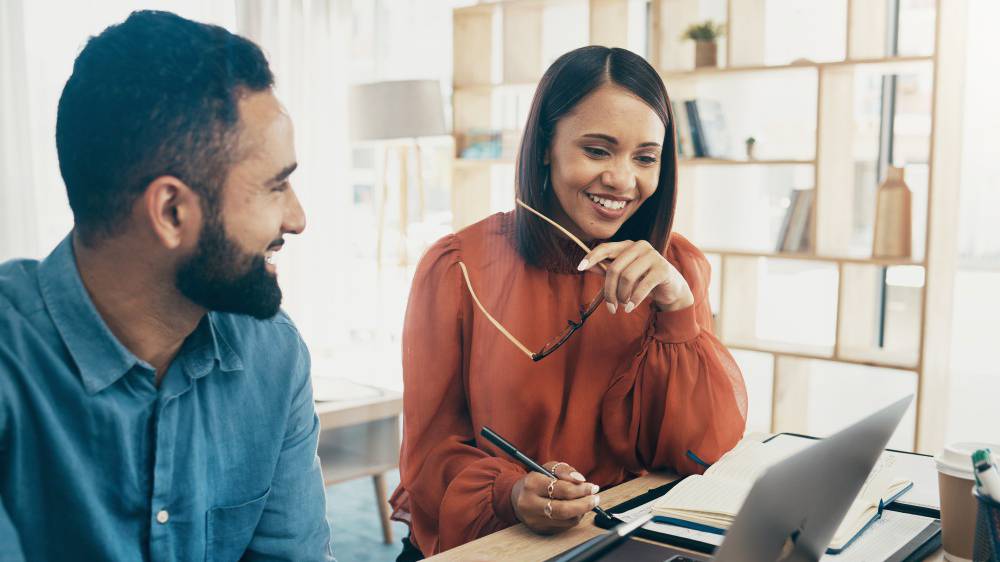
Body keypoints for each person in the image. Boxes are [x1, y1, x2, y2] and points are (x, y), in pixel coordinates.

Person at [390, 45, 748, 559]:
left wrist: (678, 310)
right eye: (598, 151)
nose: (623, 181)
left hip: (613, 538)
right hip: (493, 539)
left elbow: (702, 452)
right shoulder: (456, 268)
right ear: (544, 147)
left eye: (645, 157)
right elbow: (427, 456)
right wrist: (510, 493)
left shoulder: (677, 269)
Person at [0, 11, 333, 561]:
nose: (297, 219)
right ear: (172, 212)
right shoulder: (13, 370)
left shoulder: (272, 355)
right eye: (275, 187)